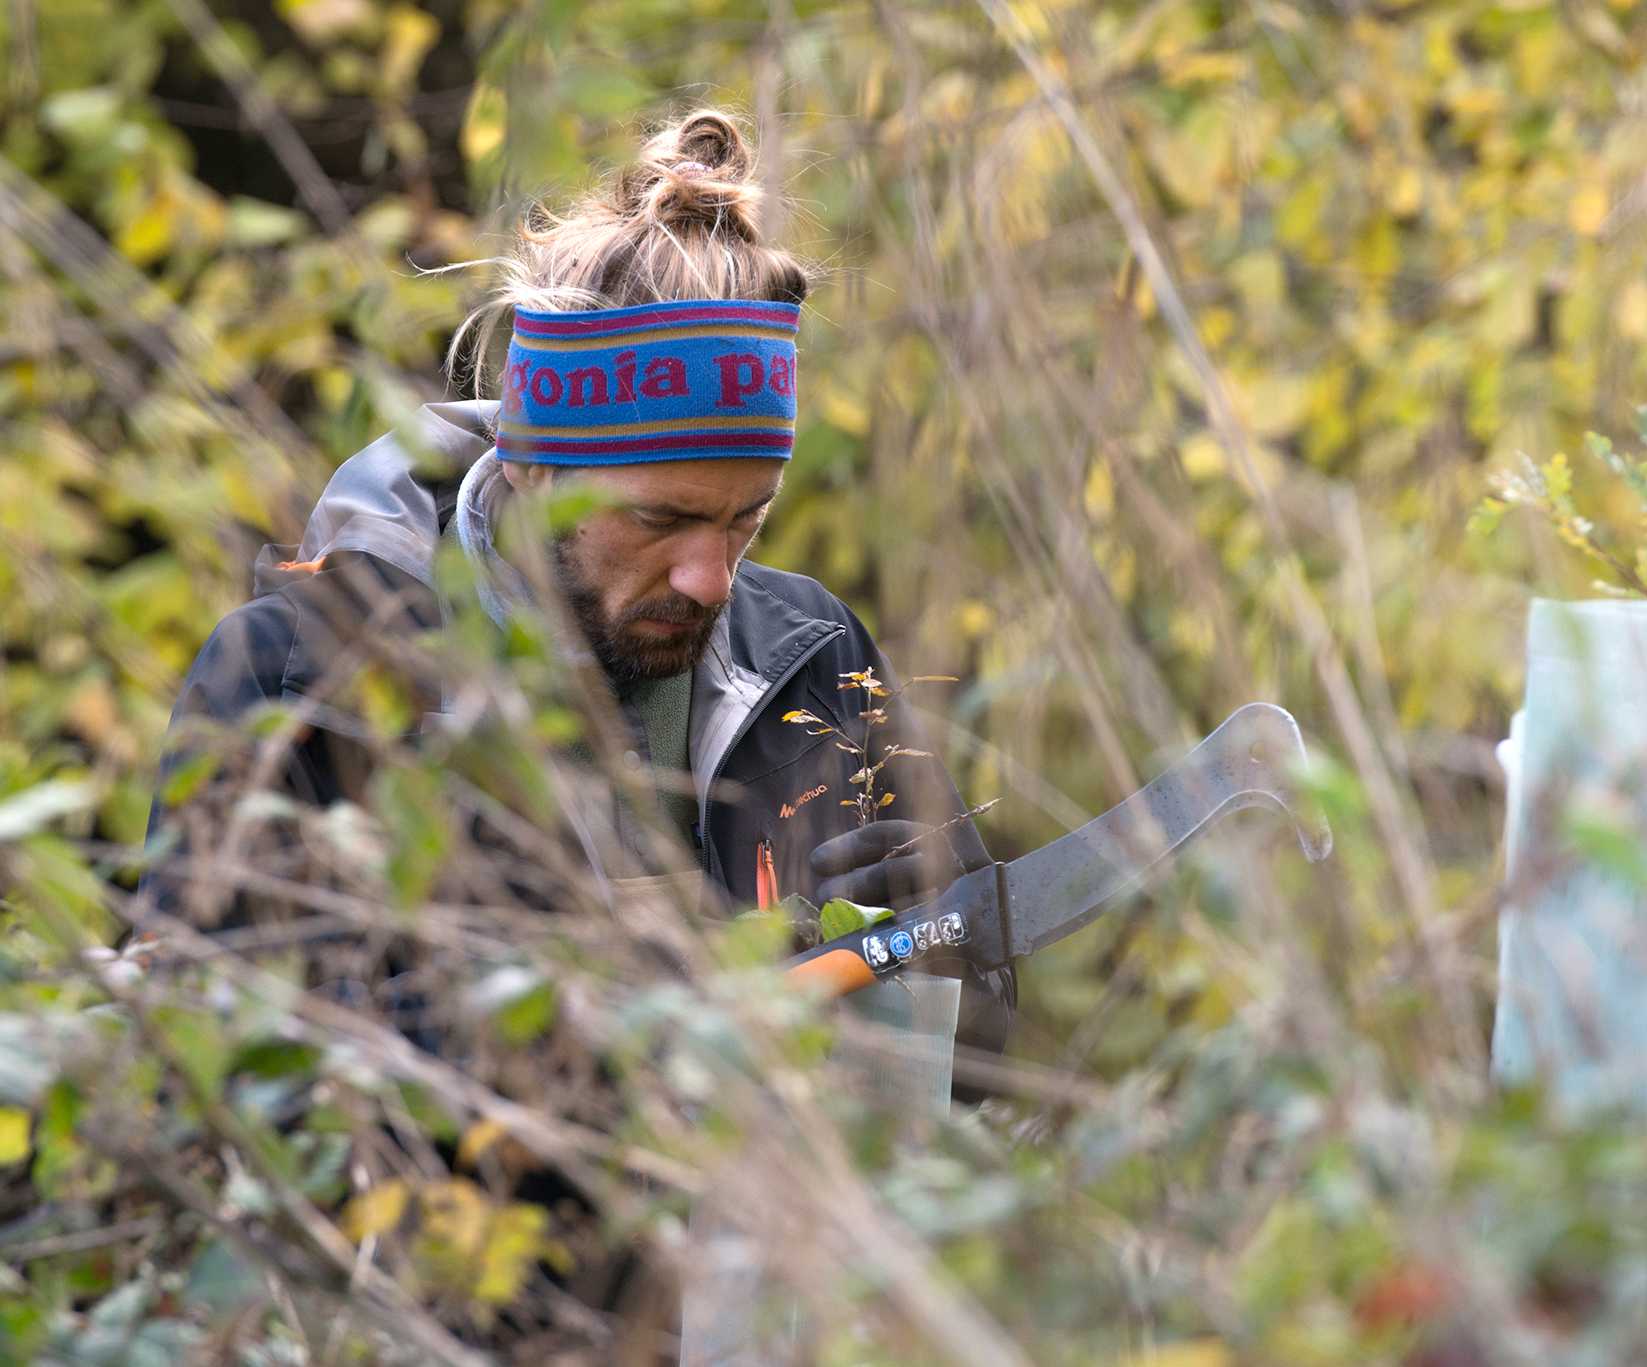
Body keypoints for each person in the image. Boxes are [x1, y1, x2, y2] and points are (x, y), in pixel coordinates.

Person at [141, 108, 1014, 1077]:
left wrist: (958, 939)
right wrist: (513, 1039)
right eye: (659, 518)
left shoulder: (814, 652)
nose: (710, 577)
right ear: (530, 468)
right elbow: (199, 1080)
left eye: (746, 517)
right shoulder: (299, 678)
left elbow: (977, 1072)